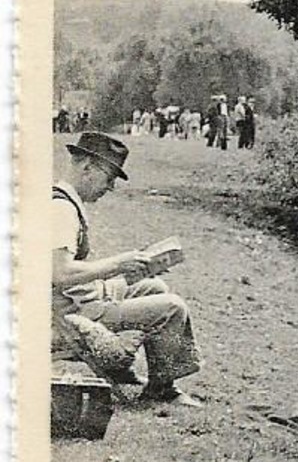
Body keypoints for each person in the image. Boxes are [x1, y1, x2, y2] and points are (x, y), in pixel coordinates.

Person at [52, 132, 203, 407]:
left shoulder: (63, 202)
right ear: (87, 167)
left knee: (153, 287)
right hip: (66, 317)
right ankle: (161, 389)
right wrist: (118, 264)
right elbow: (58, 274)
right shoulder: (61, 210)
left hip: (71, 300)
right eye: (109, 178)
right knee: (172, 308)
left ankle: (126, 371)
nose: (110, 188)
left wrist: (131, 271)